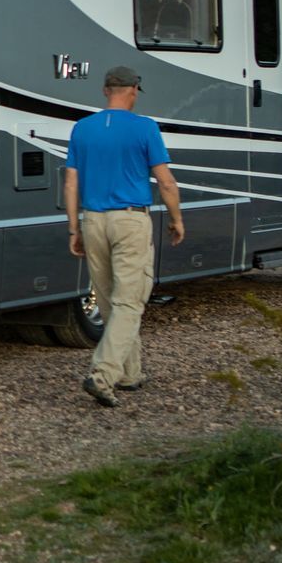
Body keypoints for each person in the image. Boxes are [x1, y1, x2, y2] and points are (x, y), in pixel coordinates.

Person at [62, 66, 185, 407]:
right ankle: (104, 375)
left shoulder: (82, 129)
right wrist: (176, 219)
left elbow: (71, 183)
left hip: (93, 219)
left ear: (105, 90)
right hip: (130, 221)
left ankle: (130, 373)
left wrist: (75, 228)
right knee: (130, 300)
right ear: (134, 90)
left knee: (107, 298)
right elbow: (165, 182)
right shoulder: (145, 127)